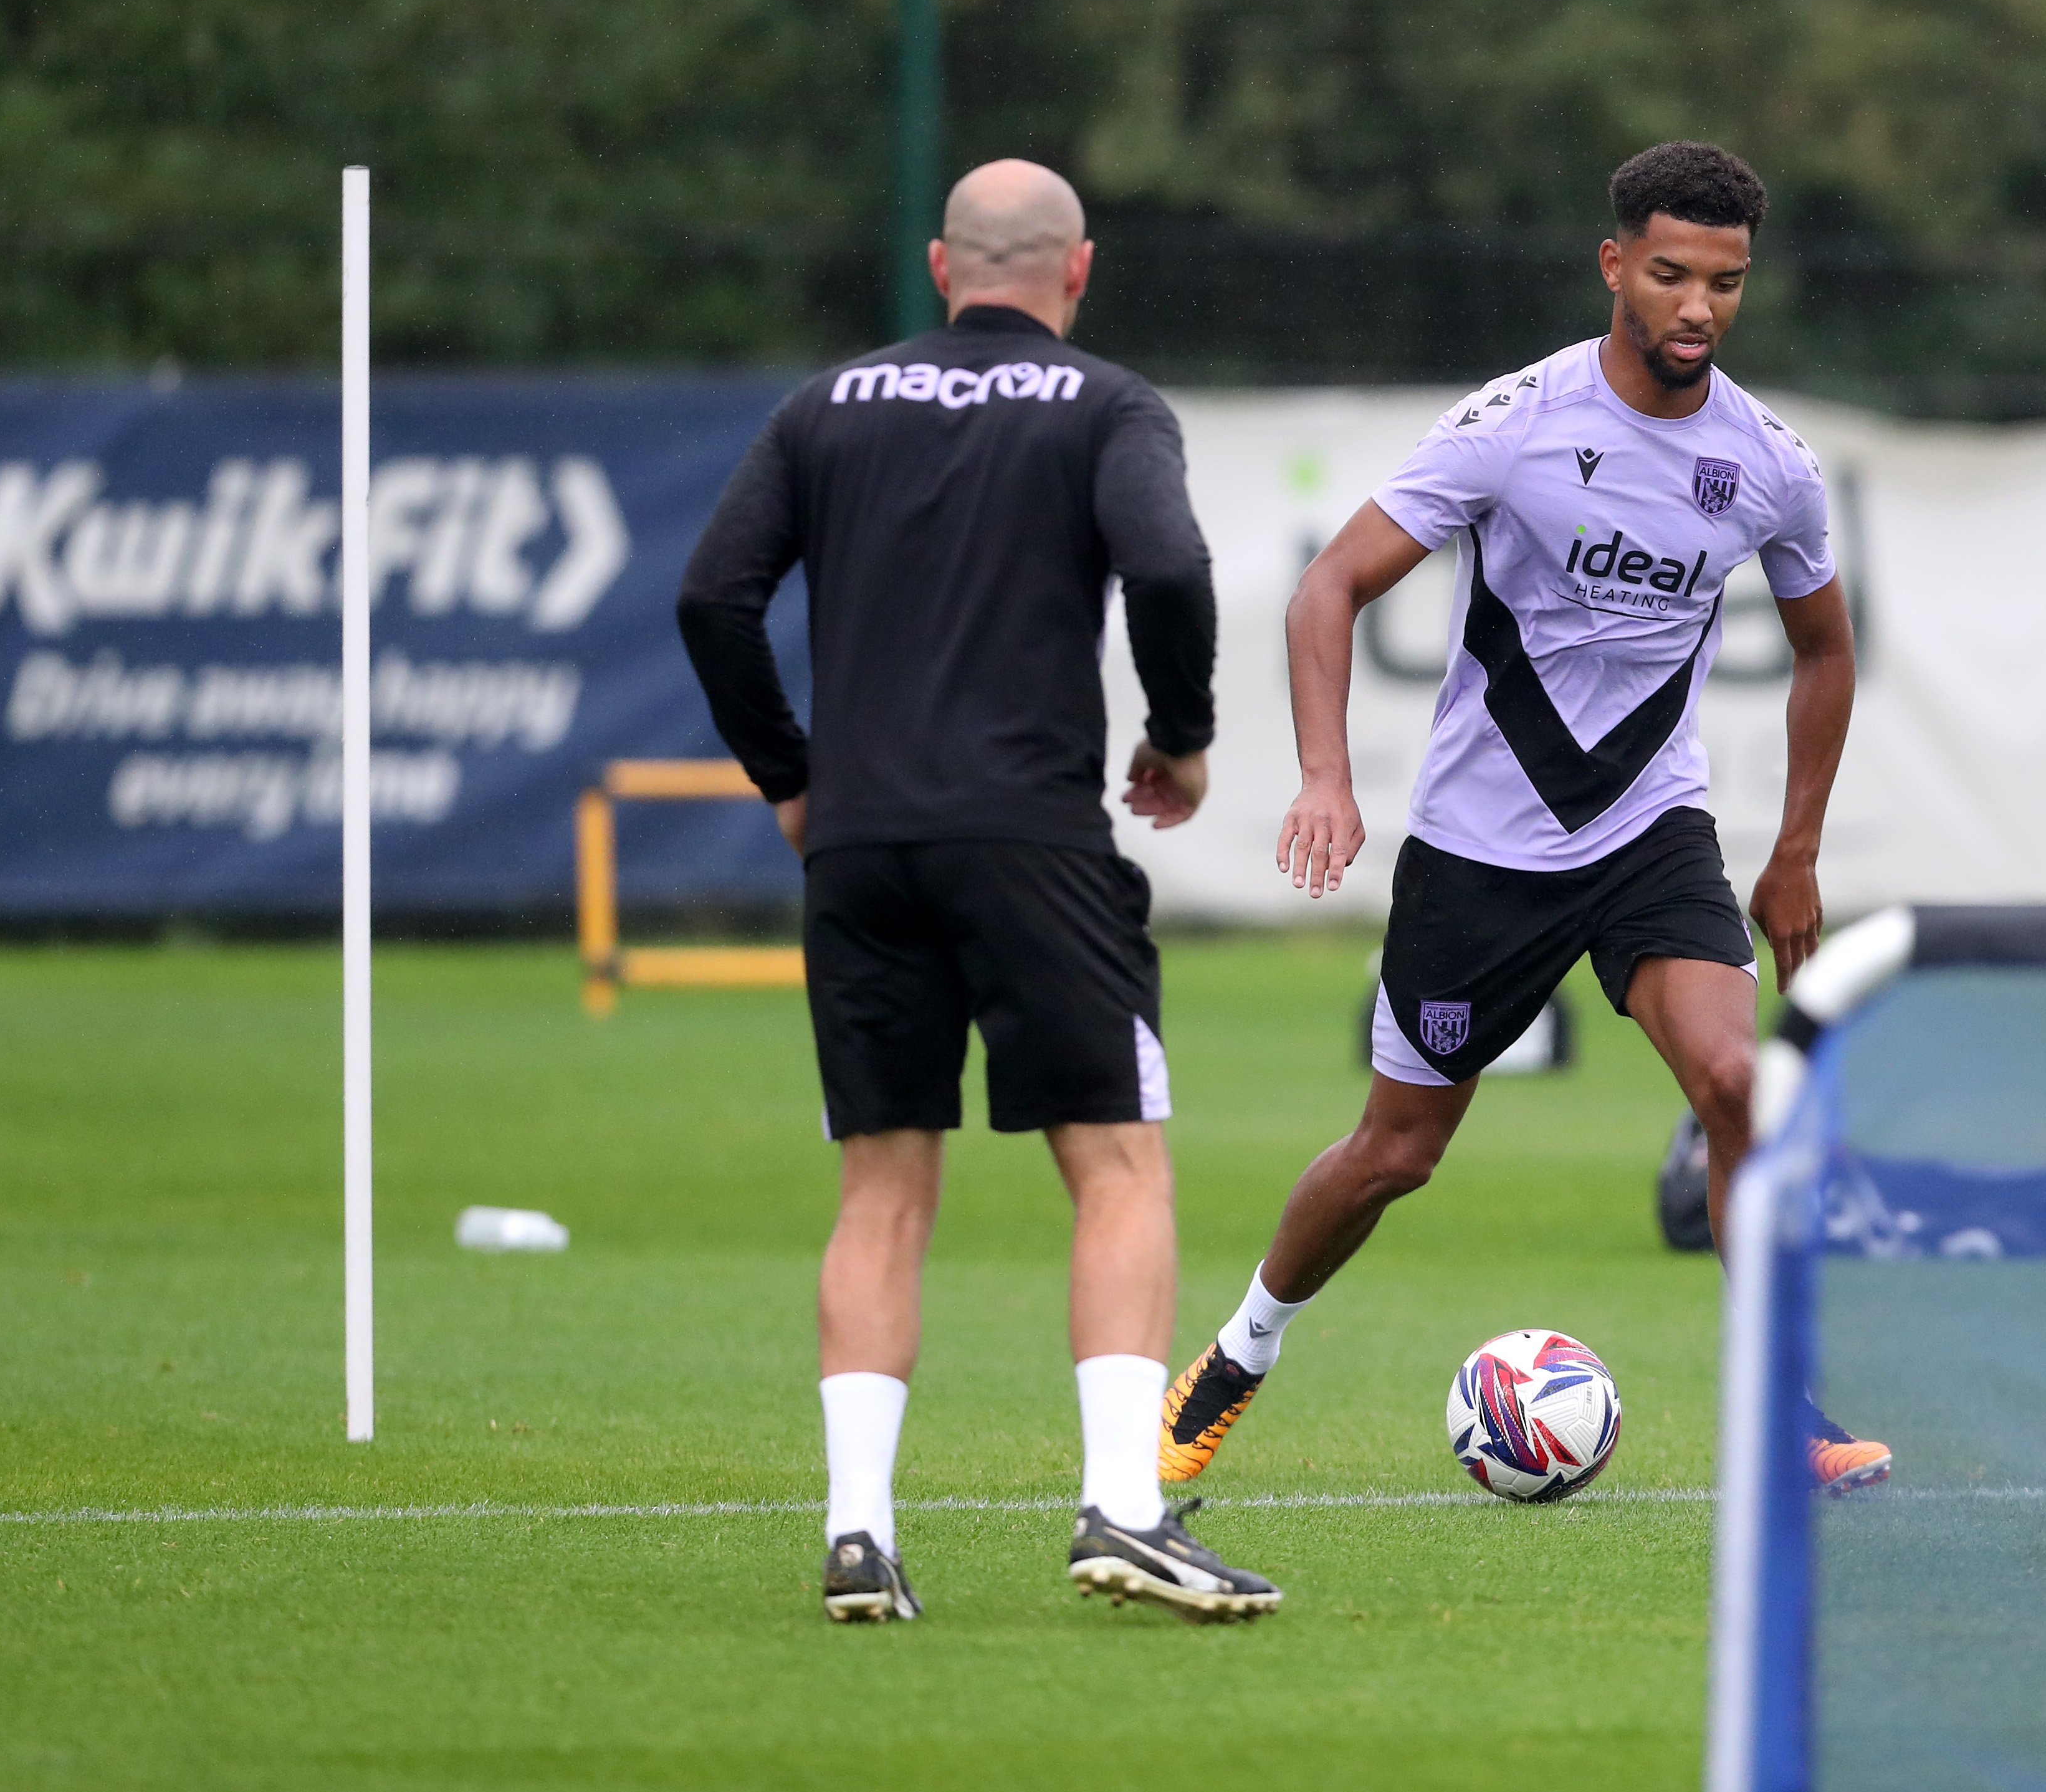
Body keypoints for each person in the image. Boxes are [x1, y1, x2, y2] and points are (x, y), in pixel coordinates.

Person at [1155, 140, 1892, 1495]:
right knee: (1396, 1154)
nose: (1697, 308)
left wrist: (1793, 853)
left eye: (1725, 283)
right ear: (1615, 263)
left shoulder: (1771, 466)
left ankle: (1784, 1410)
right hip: (1480, 851)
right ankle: (1241, 1351)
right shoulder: (1514, 423)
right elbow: (1329, 591)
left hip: (1650, 830)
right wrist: (1327, 774)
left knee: (1736, 1087)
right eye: (1670, 274)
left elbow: (1826, 651)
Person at [676, 159, 1282, 1626]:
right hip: (1030, 838)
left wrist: (791, 777)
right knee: (1118, 1167)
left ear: (943, 267)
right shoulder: (1107, 406)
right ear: (1077, 276)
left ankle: (858, 1534)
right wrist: (1183, 738)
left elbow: (712, 596)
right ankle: (1127, 1511)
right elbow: (1172, 565)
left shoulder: (825, 407)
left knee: (882, 1187)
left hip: (864, 846)